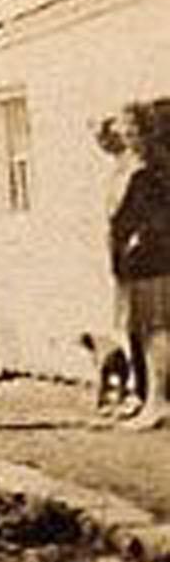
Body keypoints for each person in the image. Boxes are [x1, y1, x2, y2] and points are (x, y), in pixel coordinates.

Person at [111, 99, 170, 430]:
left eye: (131, 129)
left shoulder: (152, 172)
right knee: (147, 331)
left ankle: (158, 402)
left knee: (156, 331)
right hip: (138, 266)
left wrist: (137, 241)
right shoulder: (137, 168)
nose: (125, 134)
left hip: (152, 263)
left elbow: (155, 220)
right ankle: (152, 399)